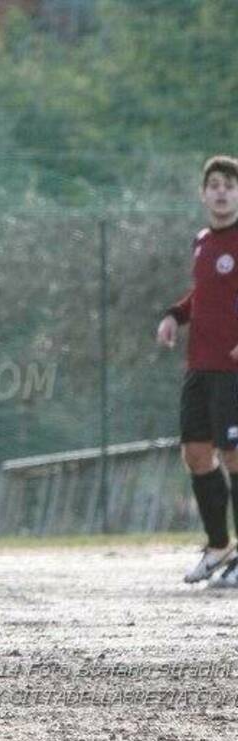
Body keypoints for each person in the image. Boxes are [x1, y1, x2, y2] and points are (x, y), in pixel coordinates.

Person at [158, 154, 238, 587]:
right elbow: (203, 293)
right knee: (194, 454)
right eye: (215, 184)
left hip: (232, 370)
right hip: (199, 367)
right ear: (204, 193)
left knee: (235, 456)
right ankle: (219, 545)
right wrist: (174, 315)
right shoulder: (203, 240)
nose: (222, 191)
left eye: (229, 184)